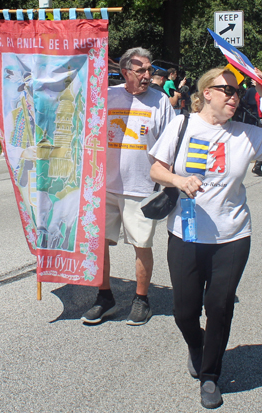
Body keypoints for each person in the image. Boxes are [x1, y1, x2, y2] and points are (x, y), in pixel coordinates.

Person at [149, 67, 262, 409]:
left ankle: (211, 376)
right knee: (184, 311)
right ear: (207, 93)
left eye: (238, 92)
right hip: (185, 232)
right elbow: (156, 168)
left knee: (219, 306)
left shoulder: (245, 134)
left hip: (232, 235)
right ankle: (197, 345)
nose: (234, 97)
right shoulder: (182, 125)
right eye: (226, 90)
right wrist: (178, 180)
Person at [80, 47, 176, 326]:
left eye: (150, 70)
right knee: (99, 245)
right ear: (125, 72)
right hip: (103, 186)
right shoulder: (108, 96)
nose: (148, 75)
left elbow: (170, 145)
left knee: (141, 245)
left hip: (142, 188)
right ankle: (104, 296)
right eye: (141, 70)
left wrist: (168, 182)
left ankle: (141, 299)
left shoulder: (160, 102)